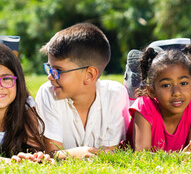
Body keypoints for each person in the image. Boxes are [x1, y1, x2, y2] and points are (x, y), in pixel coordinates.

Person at [35, 23, 129, 159]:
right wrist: (74, 154)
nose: (50, 76)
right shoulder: (49, 93)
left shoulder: (115, 95)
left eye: (58, 71)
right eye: (50, 68)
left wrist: (66, 155)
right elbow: (52, 153)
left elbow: (109, 154)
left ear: (89, 75)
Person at [126, 44, 191, 152]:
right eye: (166, 85)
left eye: (183, 83)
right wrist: (180, 158)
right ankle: (130, 79)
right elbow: (142, 154)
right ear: (151, 91)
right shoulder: (144, 106)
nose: (176, 92)